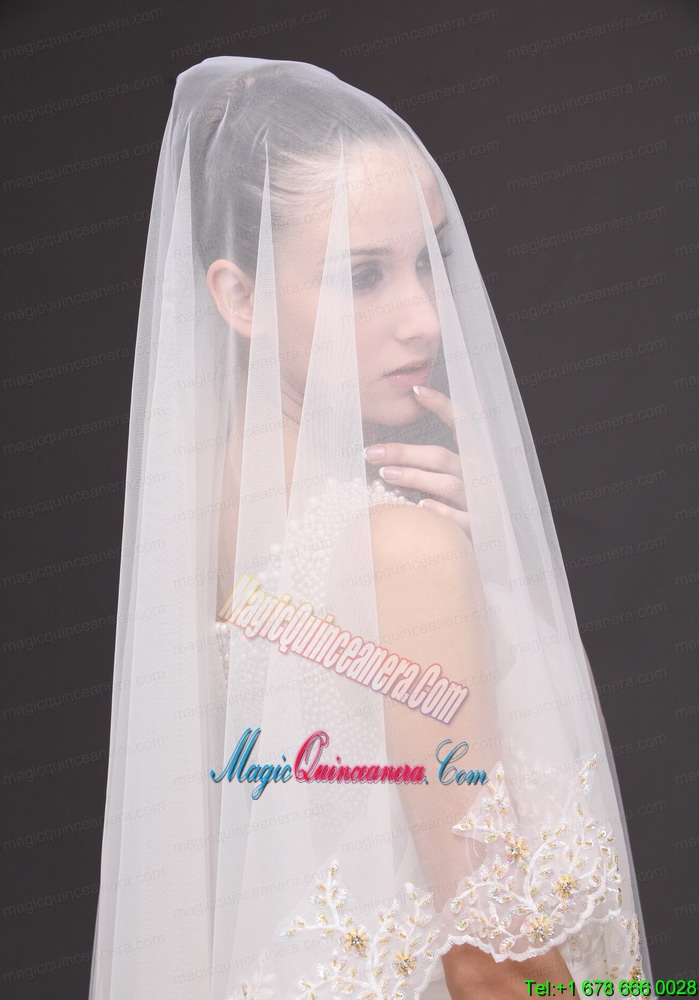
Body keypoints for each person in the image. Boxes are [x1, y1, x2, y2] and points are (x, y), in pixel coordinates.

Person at [88, 57, 652, 1000]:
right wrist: (502, 572)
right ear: (238, 297)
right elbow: (493, 964)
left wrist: (505, 566)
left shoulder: (203, 514)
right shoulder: (404, 553)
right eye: (362, 275)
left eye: (428, 260)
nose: (423, 320)